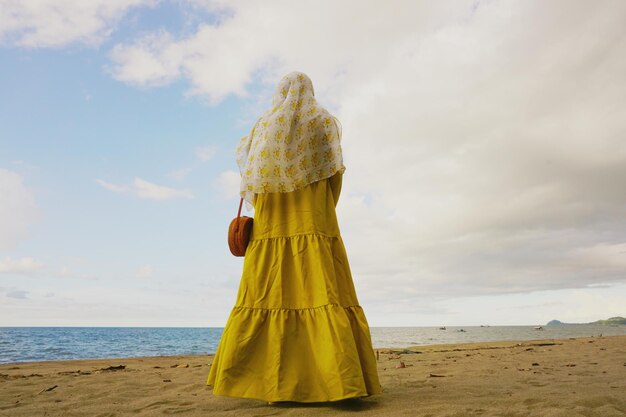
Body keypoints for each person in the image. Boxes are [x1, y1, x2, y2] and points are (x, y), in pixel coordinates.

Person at [207, 71, 381, 403]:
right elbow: (335, 175)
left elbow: (250, 177)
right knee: (323, 294)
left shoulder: (262, 127)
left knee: (270, 297)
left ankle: (274, 385)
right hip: (314, 223)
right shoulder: (324, 122)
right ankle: (337, 385)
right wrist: (322, 211)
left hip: (272, 227)